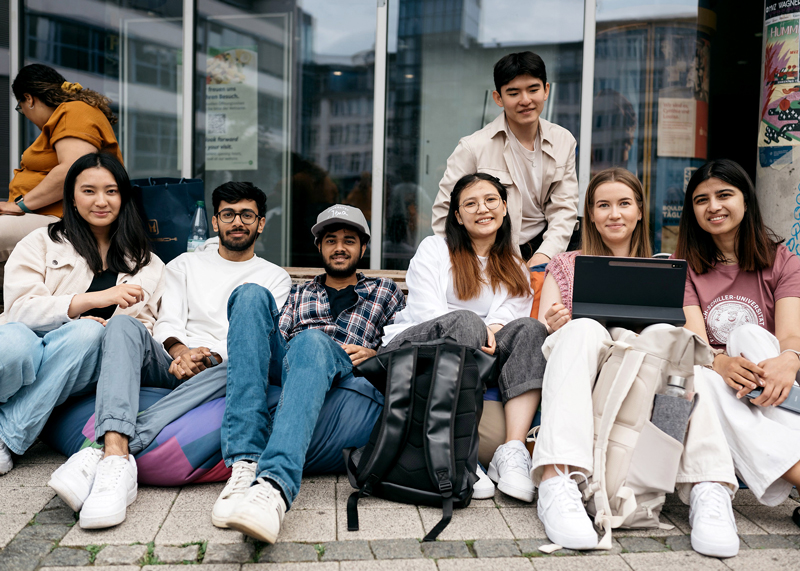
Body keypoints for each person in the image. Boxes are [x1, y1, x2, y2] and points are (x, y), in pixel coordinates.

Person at [48, 181, 292, 529]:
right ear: (215, 221)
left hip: (223, 368)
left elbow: (254, 340)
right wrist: (181, 352)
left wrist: (208, 358)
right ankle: (114, 452)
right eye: (228, 214)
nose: (237, 222)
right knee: (123, 325)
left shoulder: (275, 277)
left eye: (247, 215)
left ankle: (105, 452)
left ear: (261, 223)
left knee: (244, 365)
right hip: (172, 361)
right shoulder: (184, 264)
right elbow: (168, 321)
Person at [533, 167, 740, 557]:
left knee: (680, 345)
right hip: (587, 366)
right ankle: (556, 478)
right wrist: (556, 322)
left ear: (640, 211)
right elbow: (546, 328)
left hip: (645, 370)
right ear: (590, 214)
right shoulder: (566, 263)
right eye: (603, 205)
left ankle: (708, 486)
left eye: (624, 204)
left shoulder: (666, 267)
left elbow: (679, 329)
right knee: (582, 328)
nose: (614, 214)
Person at [211, 204, 405, 544]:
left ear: (363, 247)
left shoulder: (385, 291)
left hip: (347, 370)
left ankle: (273, 487)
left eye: (349, 240)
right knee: (250, 294)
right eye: (331, 240)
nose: (340, 247)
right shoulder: (299, 293)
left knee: (313, 340)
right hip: (298, 363)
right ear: (319, 247)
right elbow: (276, 341)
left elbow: (404, 343)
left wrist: (377, 354)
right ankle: (244, 465)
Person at [383, 172, 546, 503]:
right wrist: (478, 327)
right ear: (457, 216)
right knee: (466, 322)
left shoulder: (513, 263)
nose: (482, 209)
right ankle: (462, 454)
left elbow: (510, 316)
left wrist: (490, 329)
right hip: (416, 350)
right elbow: (428, 313)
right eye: (470, 204)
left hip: (479, 353)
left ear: (504, 207)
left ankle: (512, 451)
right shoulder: (435, 249)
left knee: (532, 329)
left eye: (490, 200)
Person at [0, 152, 162, 476]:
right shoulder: (42, 242)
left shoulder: (147, 265)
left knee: (88, 333)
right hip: (29, 342)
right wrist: (92, 301)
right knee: (15, 341)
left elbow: (143, 331)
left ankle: (6, 438)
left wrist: (98, 328)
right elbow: (19, 309)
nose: (101, 201)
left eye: (111, 191)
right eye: (89, 191)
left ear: (123, 197)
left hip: (84, 362)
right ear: (72, 198)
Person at [676, 159, 800, 510]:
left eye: (724, 195)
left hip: (771, 377)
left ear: (746, 199)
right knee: (703, 377)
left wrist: (789, 361)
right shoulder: (682, 266)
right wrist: (722, 363)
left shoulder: (783, 261)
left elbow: (790, 334)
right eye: (701, 200)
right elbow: (697, 342)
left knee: (748, 335)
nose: (713, 206)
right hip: (716, 376)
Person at [432, 51, 579, 267]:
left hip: (544, 248)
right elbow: (444, 213)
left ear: (546, 90)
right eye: (513, 93)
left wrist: (544, 256)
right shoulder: (473, 147)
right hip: (489, 254)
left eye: (533, 89)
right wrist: (464, 263)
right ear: (498, 98)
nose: (525, 100)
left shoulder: (563, 140)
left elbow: (564, 209)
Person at [0, 64, 123, 296]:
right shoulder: (67, 116)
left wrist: (20, 205)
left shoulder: (74, 111)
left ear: (29, 99)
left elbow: (73, 169)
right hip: (48, 216)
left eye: (20, 107)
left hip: (64, 220)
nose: (25, 114)